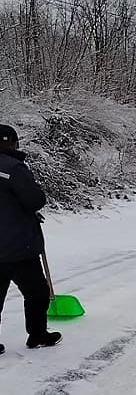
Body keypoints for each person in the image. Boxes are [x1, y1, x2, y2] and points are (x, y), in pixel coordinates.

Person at [0, 124, 62, 353]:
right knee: (36, 291)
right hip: (16, 246)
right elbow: (35, 199)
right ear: (12, 142)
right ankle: (37, 334)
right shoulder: (14, 168)